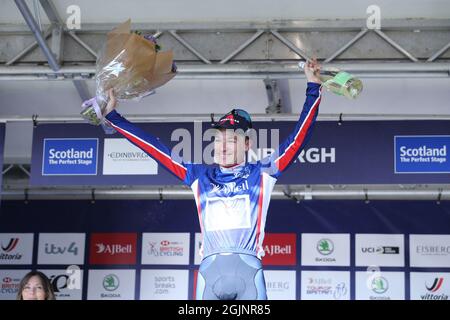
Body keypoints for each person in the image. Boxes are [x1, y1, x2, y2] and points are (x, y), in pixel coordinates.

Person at [103, 59, 323, 300]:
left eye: (231, 140)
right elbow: (154, 148)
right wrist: (114, 117)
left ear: (247, 144)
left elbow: (298, 137)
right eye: (218, 141)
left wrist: (313, 87)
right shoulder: (198, 176)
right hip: (209, 275)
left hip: (249, 274)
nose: (223, 147)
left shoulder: (263, 173)